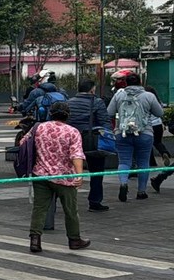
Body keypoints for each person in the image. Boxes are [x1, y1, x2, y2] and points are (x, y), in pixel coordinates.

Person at [19, 101, 91, 254]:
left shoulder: (39, 128)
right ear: (68, 115)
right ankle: (74, 239)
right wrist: (79, 175)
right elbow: (76, 154)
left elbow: (23, 142)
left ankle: (35, 240)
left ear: (50, 113)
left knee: (39, 208)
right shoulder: (72, 131)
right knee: (70, 209)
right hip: (65, 177)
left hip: (41, 174)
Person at [107, 72, 164, 202]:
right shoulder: (148, 96)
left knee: (124, 162)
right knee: (143, 162)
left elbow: (109, 112)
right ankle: (141, 191)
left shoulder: (119, 94)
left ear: (126, 83)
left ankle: (123, 183)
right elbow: (159, 112)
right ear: (140, 82)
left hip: (122, 133)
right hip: (145, 133)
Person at [66, 80, 111, 211]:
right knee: (96, 171)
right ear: (92, 90)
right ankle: (95, 201)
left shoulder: (68, 102)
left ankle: (65, 200)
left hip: (71, 141)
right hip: (91, 141)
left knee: (67, 169)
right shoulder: (97, 102)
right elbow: (105, 122)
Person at [144, 87, 171, 192]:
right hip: (158, 124)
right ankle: (164, 152)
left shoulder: (144, 99)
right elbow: (161, 112)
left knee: (148, 144)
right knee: (158, 142)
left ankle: (151, 162)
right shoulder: (157, 101)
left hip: (148, 125)